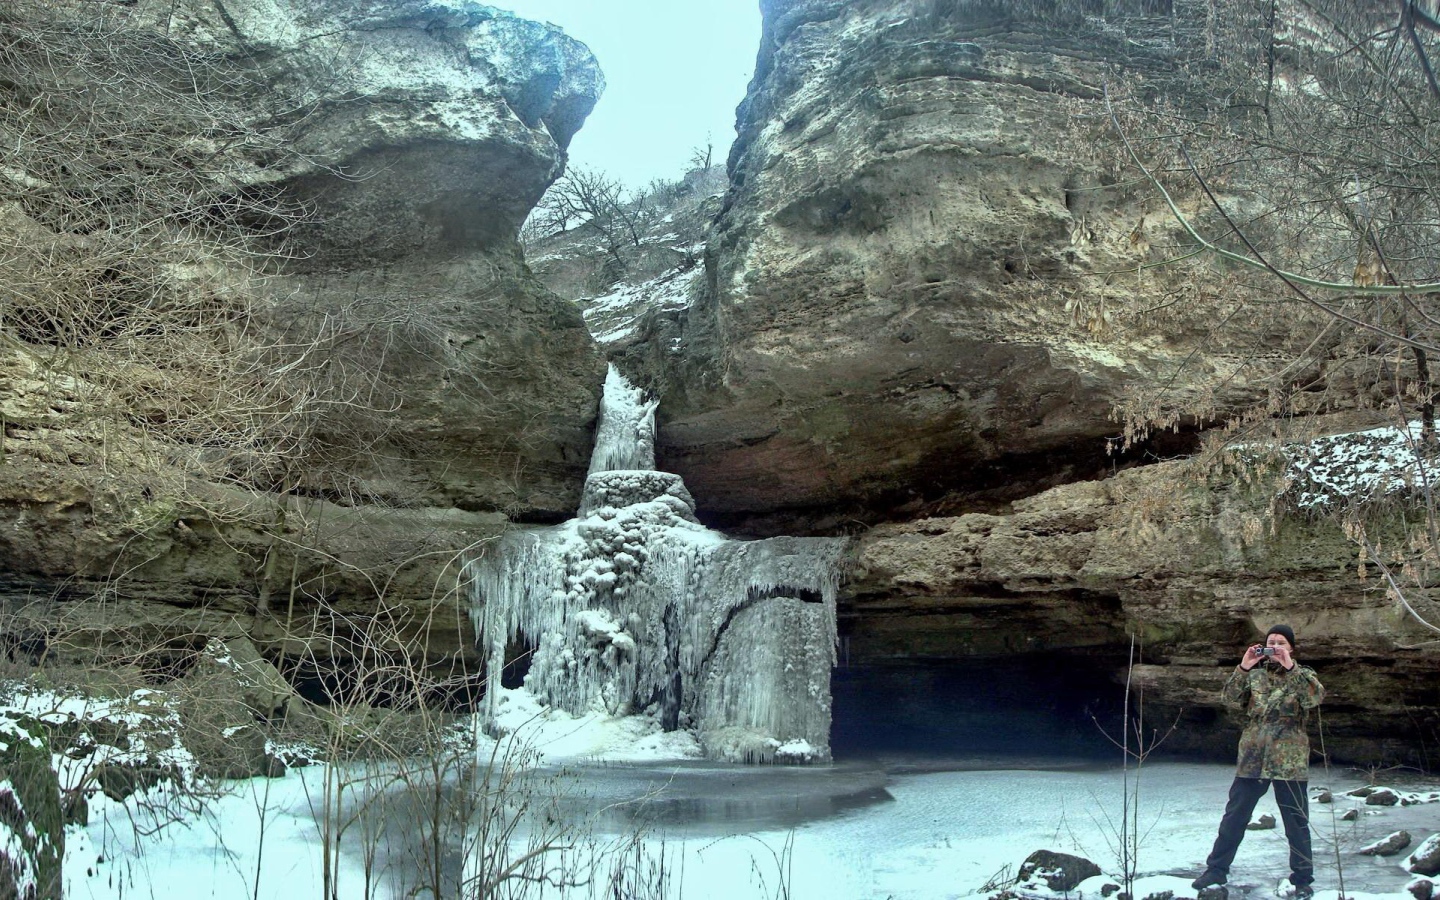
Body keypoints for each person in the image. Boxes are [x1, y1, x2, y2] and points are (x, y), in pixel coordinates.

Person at [1192, 624, 1324, 898]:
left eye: (1281, 643)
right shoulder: (1255, 676)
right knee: (1234, 817)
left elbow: (1314, 698)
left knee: (1296, 821)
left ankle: (1302, 877)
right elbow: (1228, 698)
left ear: (1291, 648)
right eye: (1270, 642)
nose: (1275, 646)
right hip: (1253, 758)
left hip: (1289, 760)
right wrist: (1243, 667)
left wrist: (1290, 668)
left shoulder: (1304, 674)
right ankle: (1216, 869)